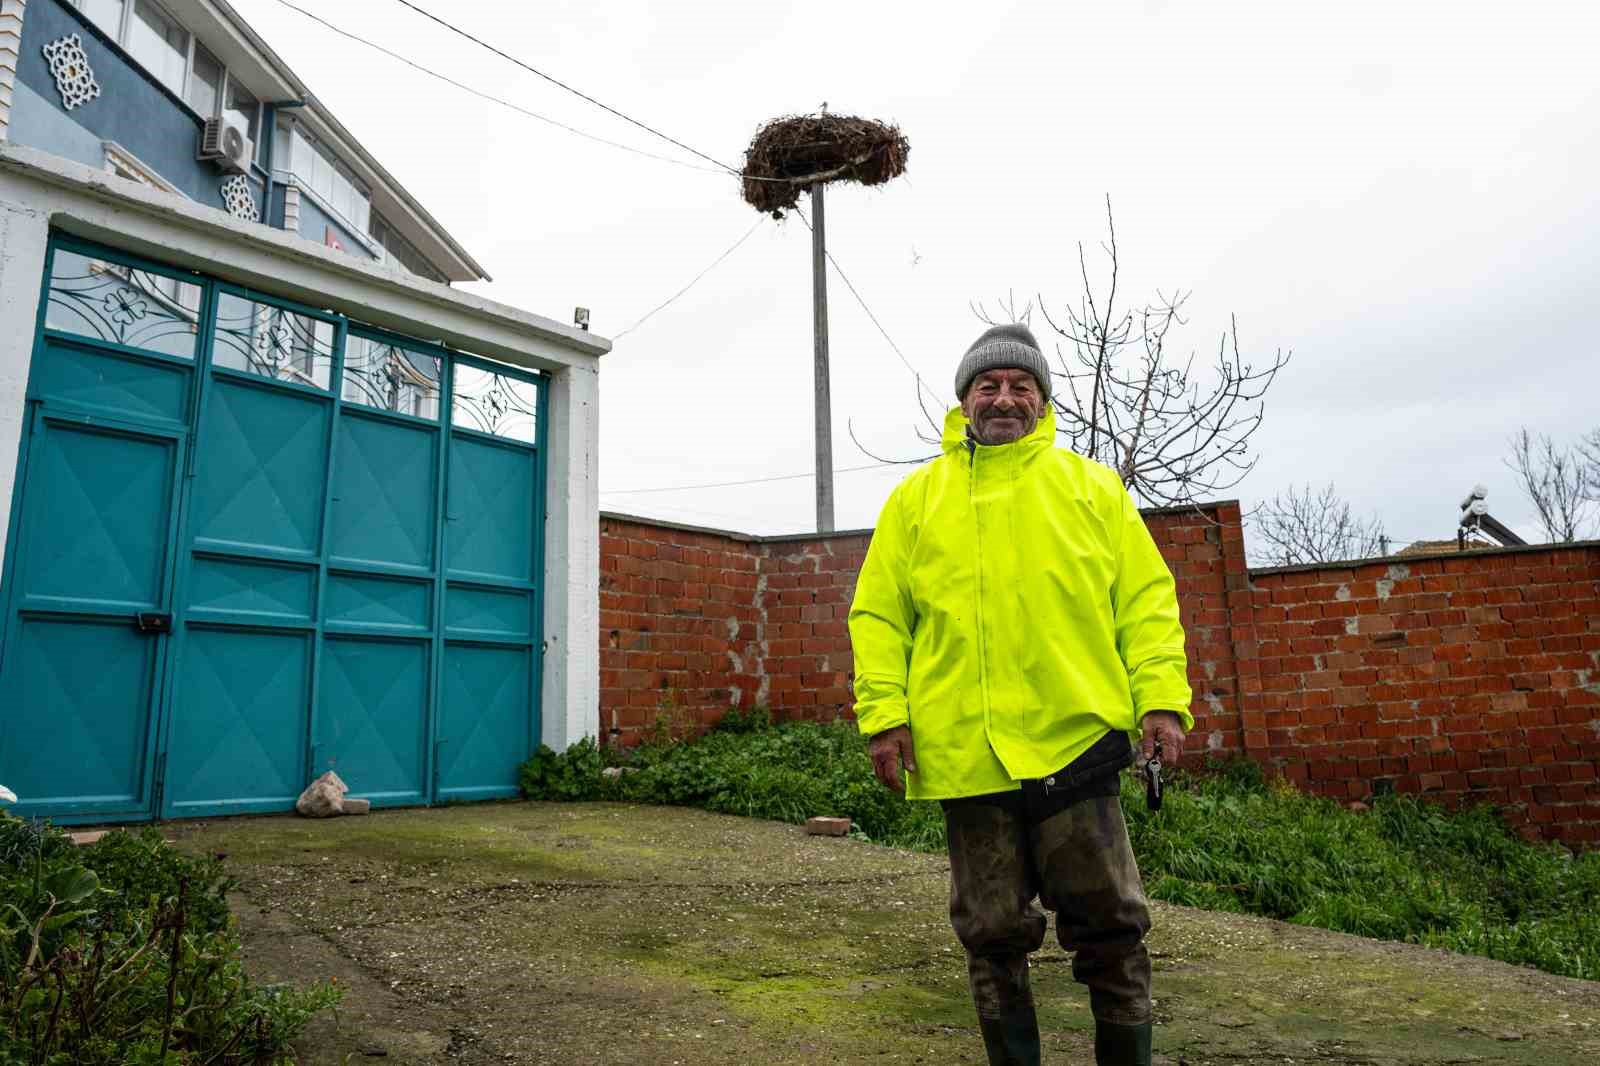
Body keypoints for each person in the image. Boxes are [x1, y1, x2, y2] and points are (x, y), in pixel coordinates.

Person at [847, 324, 1192, 1066]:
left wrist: (1160, 700)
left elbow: (1147, 602)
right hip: (969, 755)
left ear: (1041, 399)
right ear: (965, 399)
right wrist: (886, 717)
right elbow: (877, 616)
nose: (1004, 398)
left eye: (1019, 386)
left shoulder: (1092, 489)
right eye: (988, 386)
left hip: (1079, 748)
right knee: (991, 935)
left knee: (1112, 930)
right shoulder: (915, 502)